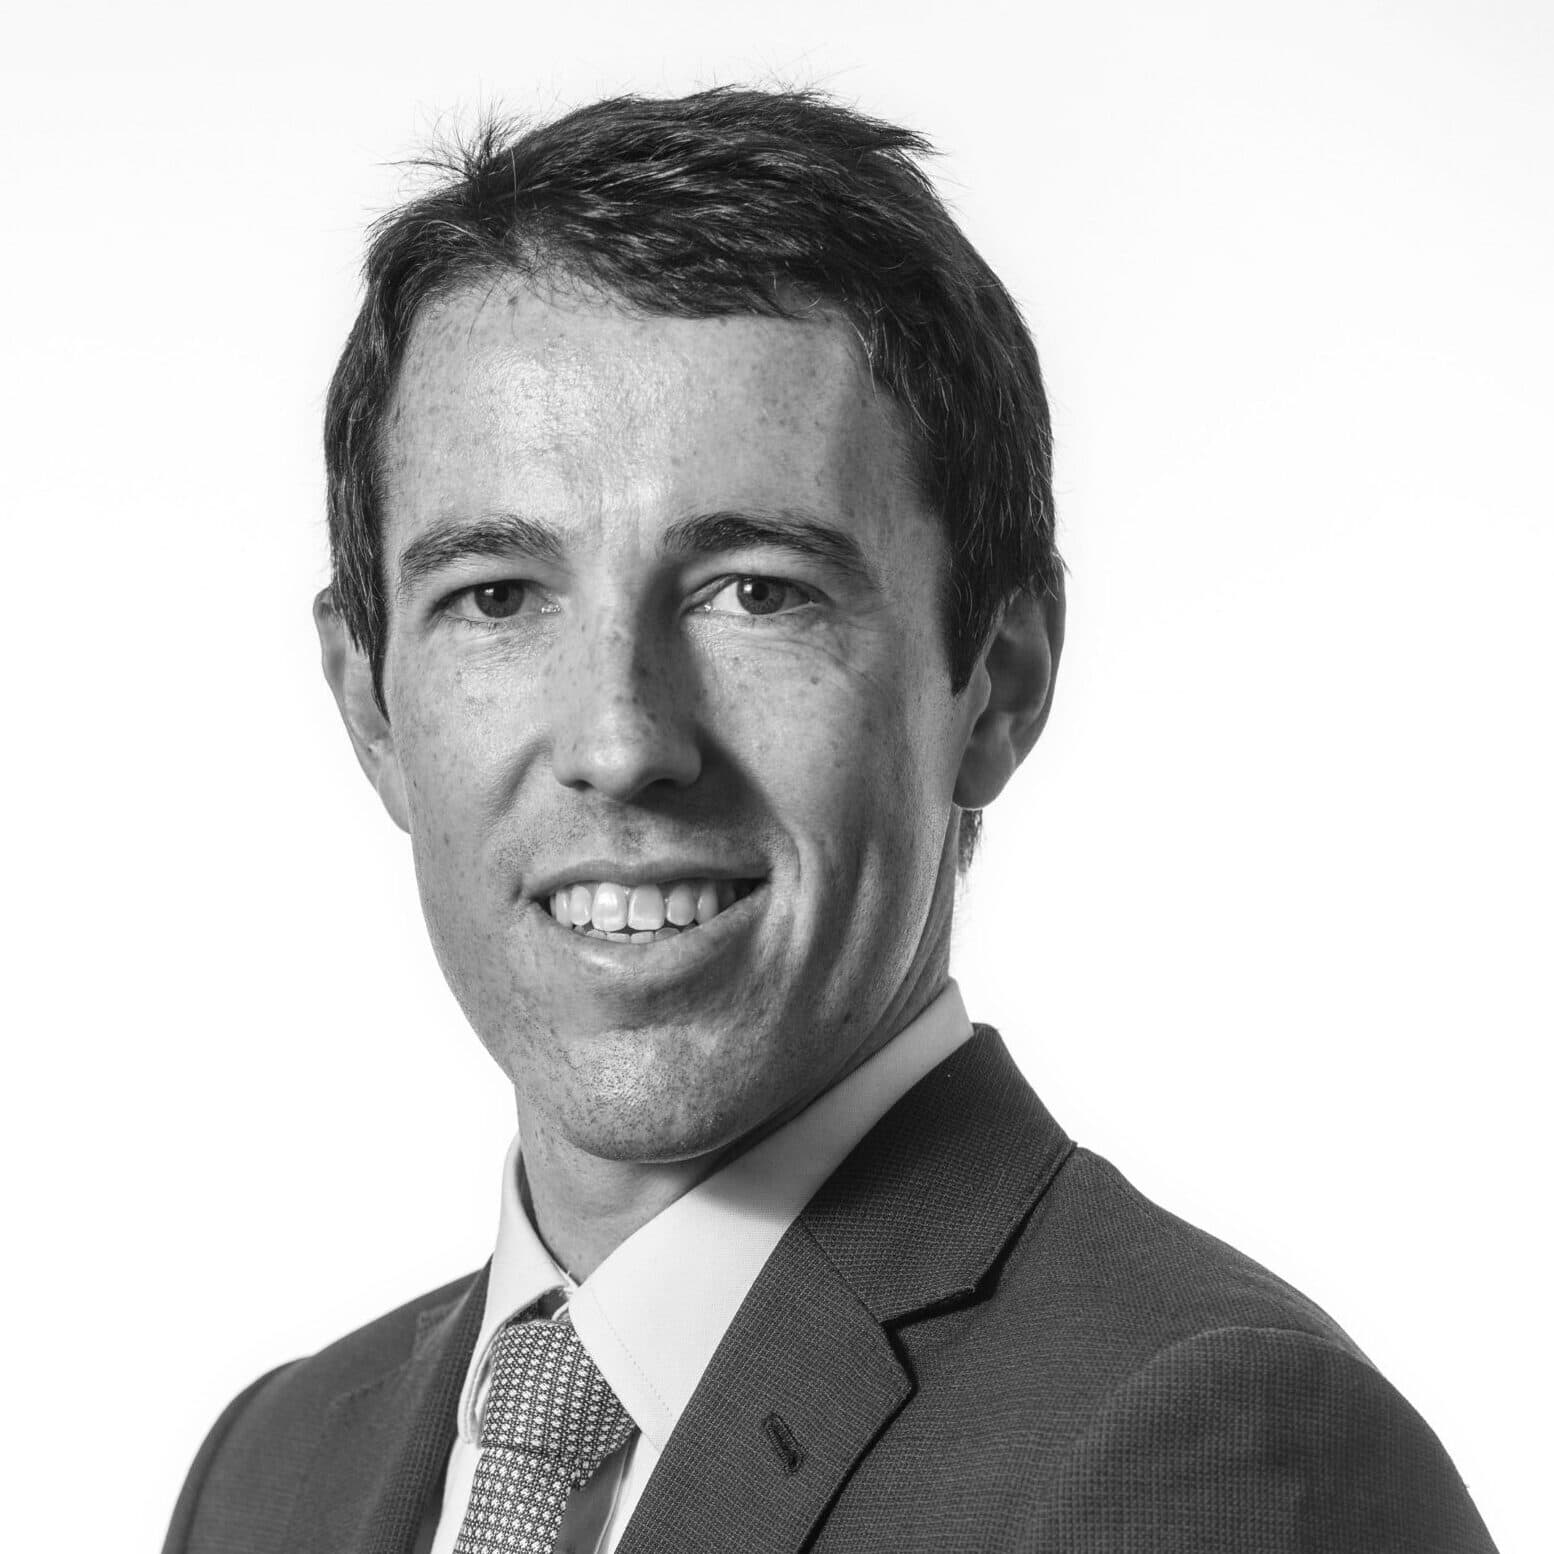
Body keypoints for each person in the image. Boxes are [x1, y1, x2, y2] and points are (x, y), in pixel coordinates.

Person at [162, 87, 1498, 1554]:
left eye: (756, 591)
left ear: (997, 682)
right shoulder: (270, 1474)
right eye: (496, 597)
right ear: (370, 705)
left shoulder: (1213, 1458)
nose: (620, 742)